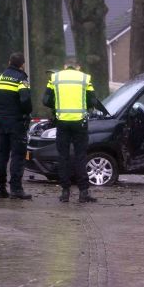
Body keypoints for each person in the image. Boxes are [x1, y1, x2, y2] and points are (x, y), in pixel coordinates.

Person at [43, 59, 97, 203]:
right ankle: (83, 192)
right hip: (80, 123)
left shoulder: (55, 78)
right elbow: (92, 101)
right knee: (80, 156)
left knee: (63, 156)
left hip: (62, 122)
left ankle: (65, 192)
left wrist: (58, 106)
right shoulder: (85, 78)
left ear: (64, 67)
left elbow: (46, 100)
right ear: (77, 67)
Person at [0, 52, 32, 200]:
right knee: (18, 155)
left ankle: (0, 188)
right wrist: (27, 113)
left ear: (9, 62)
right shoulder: (21, 79)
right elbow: (26, 101)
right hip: (17, 122)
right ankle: (16, 189)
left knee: (1, 155)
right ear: (22, 64)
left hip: (2, 122)